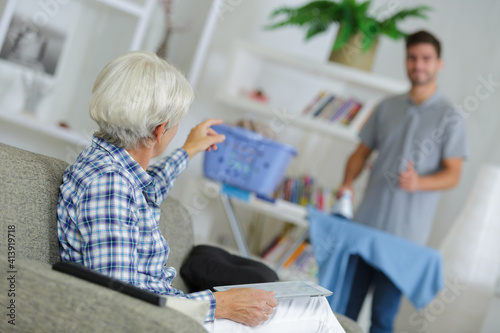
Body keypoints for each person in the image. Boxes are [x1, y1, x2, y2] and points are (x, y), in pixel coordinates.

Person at [57, 51, 344, 333]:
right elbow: (122, 300)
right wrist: (218, 303)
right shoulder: (109, 186)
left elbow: (146, 190)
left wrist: (189, 149)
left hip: (172, 312)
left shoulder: (106, 166)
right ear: (159, 131)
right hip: (161, 322)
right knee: (315, 311)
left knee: (302, 306)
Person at [337, 30, 468, 333]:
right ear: (405, 61)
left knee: (382, 318)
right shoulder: (387, 107)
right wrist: (347, 183)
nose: (418, 65)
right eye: (412, 58)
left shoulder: (451, 117)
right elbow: (359, 154)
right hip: (364, 228)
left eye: (426, 59)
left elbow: (454, 174)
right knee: (343, 311)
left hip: (403, 241)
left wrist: (418, 183)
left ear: (439, 64)